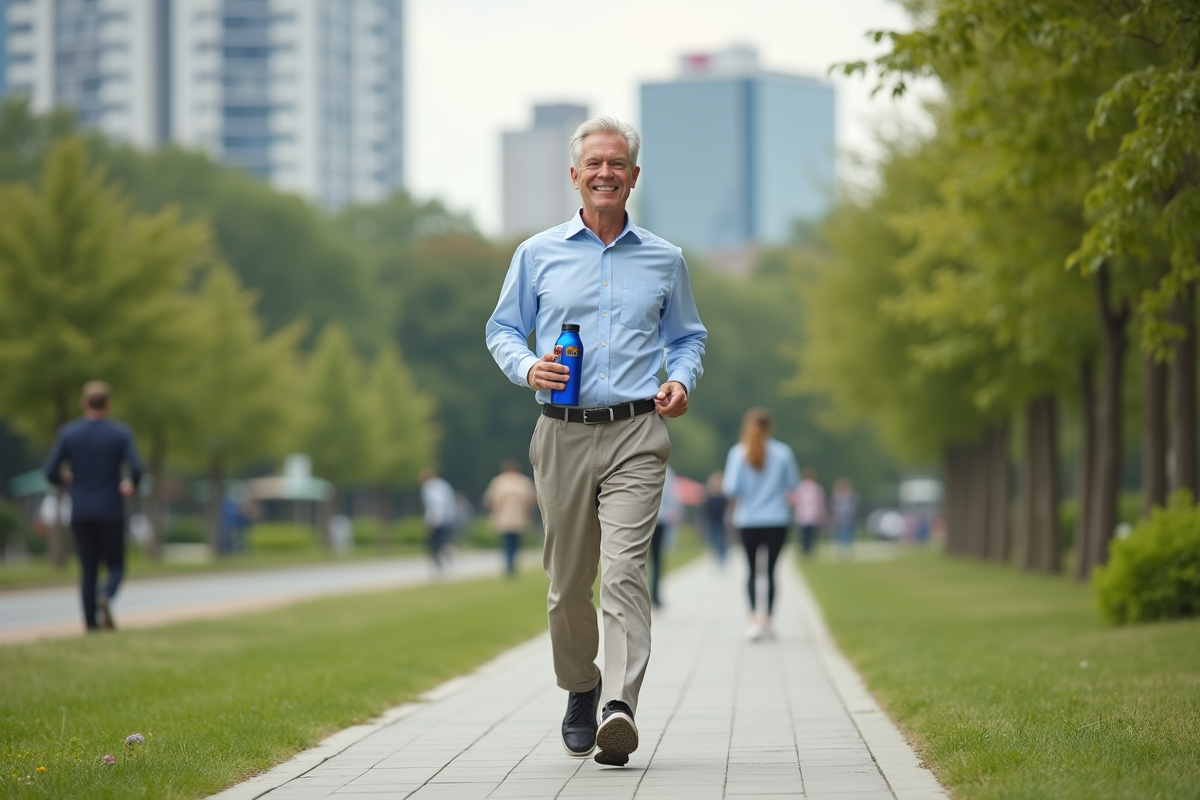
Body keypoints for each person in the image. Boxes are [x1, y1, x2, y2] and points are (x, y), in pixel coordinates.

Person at [485, 116, 706, 767]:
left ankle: (618, 704)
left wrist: (682, 380)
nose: (606, 173)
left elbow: (688, 337)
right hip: (560, 432)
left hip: (639, 431)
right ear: (575, 175)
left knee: (626, 572)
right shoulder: (537, 254)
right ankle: (581, 686)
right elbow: (502, 329)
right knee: (566, 584)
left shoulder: (665, 258)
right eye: (595, 164)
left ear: (633, 177)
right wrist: (528, 367)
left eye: (618, 164)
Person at [43, 381, 143, 632]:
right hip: (110, 509)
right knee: (116, 565)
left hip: (81, 509)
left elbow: (50, 471)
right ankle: (106, 595)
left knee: (88, 570)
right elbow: (137, 468)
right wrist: (131, 484)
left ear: (83, 404)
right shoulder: (120, 433)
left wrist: (65, 479)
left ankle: (90, 626)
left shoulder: (69, 433)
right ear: (108, 405)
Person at [723, 408, 799, 642]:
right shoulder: (783, 453)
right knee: (772, 572)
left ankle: (753, 620)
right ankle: (768, 621)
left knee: (751, 571)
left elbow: (730, 488)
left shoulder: (738, 453)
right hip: (776, 519)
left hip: (748, 519)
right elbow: (794, 485)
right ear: (770, 427)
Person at [482, 459, 538, 577]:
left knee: (508, 543)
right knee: (514, 543)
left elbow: (490, 500)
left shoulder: (499, 482)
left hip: (504, 518)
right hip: (519, 518)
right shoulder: (523, 482)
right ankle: (511, 564)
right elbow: (531, 500)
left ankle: (509, 564)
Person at [647, 465, 681, 608]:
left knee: (641, 560)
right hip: (659, 519)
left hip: (645, 519)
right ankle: (654, 595)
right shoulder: (667, 471)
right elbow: (672, 498)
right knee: (656, 559)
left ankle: (649, 594)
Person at [419, 468, 457, 571]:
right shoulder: (444, 485)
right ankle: (443, 556)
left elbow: (434, 505)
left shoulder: (429, 488)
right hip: (446, 518)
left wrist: (430, 520)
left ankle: (440, 559)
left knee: (434, 543)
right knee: (440, 541)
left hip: (437, 519)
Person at [792, 467, 826, 558]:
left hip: (803, 514)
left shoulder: (800, 487)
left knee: (804, 535)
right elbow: (820, 502)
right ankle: (809, 551)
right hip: (812, 514)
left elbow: (795, 500)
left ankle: (805, 551)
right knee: (811, 535)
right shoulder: (816, 487)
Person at [703, 471, 729, 566]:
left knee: (721, 540)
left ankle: (722, 557)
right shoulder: (710, 497)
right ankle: (718, 557)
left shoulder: (723, 497)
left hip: (722, 522)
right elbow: (706, 511)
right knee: (714, 540)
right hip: (712, 522)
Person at [831, 477, 861, 558]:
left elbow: (855, 506)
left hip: (849, 517)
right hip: (840, 518)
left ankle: (846, 549)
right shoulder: (836, 496)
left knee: (848, 533)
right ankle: (843, 549)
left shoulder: (851, 495)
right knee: (841, 534)